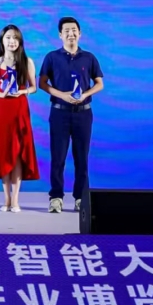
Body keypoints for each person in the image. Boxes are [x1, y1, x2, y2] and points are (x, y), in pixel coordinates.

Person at [39, 17, 105, 214]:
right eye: (66, 30)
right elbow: (42, 83)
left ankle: (80, 198)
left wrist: (84, 95)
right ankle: (56, 198)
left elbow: (99, 83)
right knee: (58, 157)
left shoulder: (89, 58)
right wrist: (62, 95)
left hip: (83, 114)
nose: (71, 33)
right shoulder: (52, 57)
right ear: (60, 34)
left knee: (81, 158)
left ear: (80, 33)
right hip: (59, 112)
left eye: (74, 30)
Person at [0, 24, 40, 212]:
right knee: (3, 153)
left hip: (19, 110)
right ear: (2, 40)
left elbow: (34, 87)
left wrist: (22, 91)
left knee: (18, 153)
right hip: (1, 111)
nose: (12, 41)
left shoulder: (27, 61)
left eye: (15, 38)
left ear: (20, 41)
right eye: (8, 37)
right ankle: (6, 199)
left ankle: (15, 199)